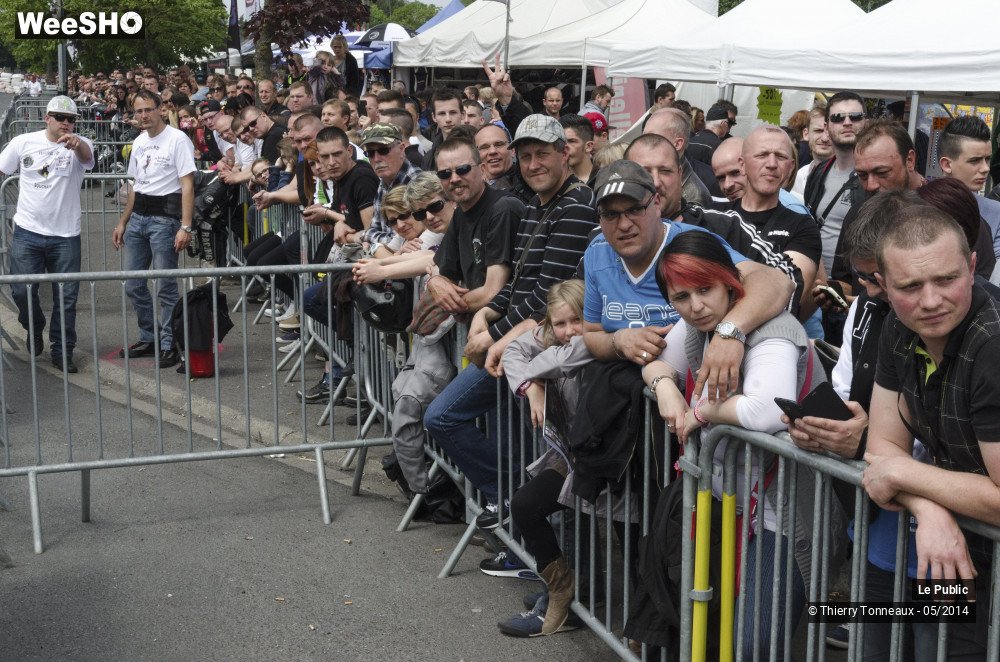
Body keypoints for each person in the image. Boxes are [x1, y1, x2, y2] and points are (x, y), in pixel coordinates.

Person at [641, 229, 841, 660]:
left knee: (755, 645)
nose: (695, 306)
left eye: (705, 289)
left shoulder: (774, 329)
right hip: (725, 503)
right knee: (707, 630)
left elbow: (763, 413)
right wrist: (665, 388)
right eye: (681, 297)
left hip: (784, 516)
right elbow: (658, 360)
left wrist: (702, 412)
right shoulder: (699, 326)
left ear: (729, 281)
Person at [425, 114, 596, 548]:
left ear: (565, 154)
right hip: (516, 345)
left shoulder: (575, 207)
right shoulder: (539, 205)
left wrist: (494, 336)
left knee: (443, 416)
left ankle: (514, 508)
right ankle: (518, 526)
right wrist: (485, 317)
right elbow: (518, 284)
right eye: (526, 156)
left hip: (540, 349)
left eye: (543, 154)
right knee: (520, 450)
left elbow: (546, 296)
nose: (533, 163)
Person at [862, 203, 999, 660]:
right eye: (910, 286)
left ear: (973, 265)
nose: (931, 300)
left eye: (946, 279)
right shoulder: (898, 329)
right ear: (883, 285)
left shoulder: (993, 345)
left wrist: (907, 479)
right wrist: (929, 507)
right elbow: (884, 451)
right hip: (956, 551)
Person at [498, 280, 591, 637]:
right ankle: (562, 592)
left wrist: (535, 371)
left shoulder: (591, 343)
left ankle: (568, 599)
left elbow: (571, 355)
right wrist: (530, 386)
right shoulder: (550, 337)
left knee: (530, 506)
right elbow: (513, 351)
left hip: (599, 458)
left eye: (576, 321)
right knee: (531, 507)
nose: (569, 333)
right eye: (560, 324)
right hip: (569, 455)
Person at [623, 134, 801, 303]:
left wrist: (731, 327)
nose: (655, 182)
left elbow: (787, 279)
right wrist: (615, 336)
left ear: (680, 174)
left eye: (665, 171)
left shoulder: (723, 226)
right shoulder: (607, 237)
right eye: (644, 172)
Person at [0, 96, 94, 373]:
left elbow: (88, 158)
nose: (66, 123)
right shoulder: (23, 142)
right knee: (21, 291)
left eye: (71, 119)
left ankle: (62, 350)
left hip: (65, 236)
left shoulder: (80, 146)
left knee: (66, 297)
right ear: (47, 118)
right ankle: (34, 323)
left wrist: (78, 146)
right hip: (27, 232)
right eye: (60, 117)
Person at [111, 90, 196, 369]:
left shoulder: (177, 139)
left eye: (149, 109)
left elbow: (187, 184)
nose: (144, 115)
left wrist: (186, 226)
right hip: (139, 218)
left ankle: (170, 342)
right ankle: (150, 337)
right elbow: (135, 186)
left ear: (161, 109)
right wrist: (123, 221)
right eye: (139, 111)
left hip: (165, 220)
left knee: (165, 286)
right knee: (134, 284)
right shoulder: (138, 142)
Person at [937, 114, 1000, 261]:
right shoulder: (916, 205)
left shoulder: (995, 212)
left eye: (987, 159)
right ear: (946, 165)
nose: (985, 168)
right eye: (975, 161)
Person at [360, 123, 422, 251]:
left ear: (402, 148)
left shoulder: (417, 183)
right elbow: (375, 228)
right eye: (370, 153)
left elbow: (404, 238)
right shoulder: (384, 181)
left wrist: (363, 237)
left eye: (383, 150)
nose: (376, 158)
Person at [644, 107, 719, 204]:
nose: (643, 143)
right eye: (643, 137)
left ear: (677, 144)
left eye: (651, 138)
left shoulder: (695, 195)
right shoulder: (641, 171)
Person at [475, 123, 532, 204]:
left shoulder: (528, 182)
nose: (492, 151)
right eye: (484, 147)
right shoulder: (471, 188)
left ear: (513, 150)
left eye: (499, 144)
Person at [792, 105, 833, 198]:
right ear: (806, 134)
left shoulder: (851, 176)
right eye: (818, 131)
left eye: (830, 132)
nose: (824, 138)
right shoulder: (801, 174)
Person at [422, 88, 463, 170]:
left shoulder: (476, 147)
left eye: (453, 112)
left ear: (462, 114)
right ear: (434, 117)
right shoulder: (429, 157)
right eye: (442, 114)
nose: (448, 119)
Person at [686, 102, 733, 166]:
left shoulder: (689, 141)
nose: (727, 127)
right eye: (727, 123)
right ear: (723, 124)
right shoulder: (719, 146)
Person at [558, 114, 595, 188]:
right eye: (561, 141)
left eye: (571, 141)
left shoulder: (603, 180)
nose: (565, 147)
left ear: (588, 146)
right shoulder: (553, 182)